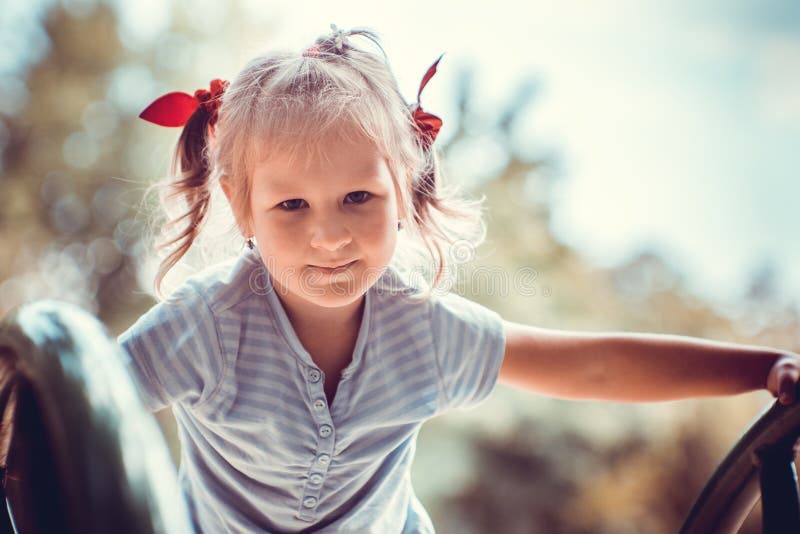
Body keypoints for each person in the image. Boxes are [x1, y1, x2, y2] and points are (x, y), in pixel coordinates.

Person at [118, 24, 800, 534]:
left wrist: (764, 366)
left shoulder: (423, 328)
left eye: (359, 197)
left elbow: (592, 368)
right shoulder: (203, 326)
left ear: (404, 186)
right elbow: (56, 409)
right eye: (291, 205)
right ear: (242, 206)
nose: (329, 235)